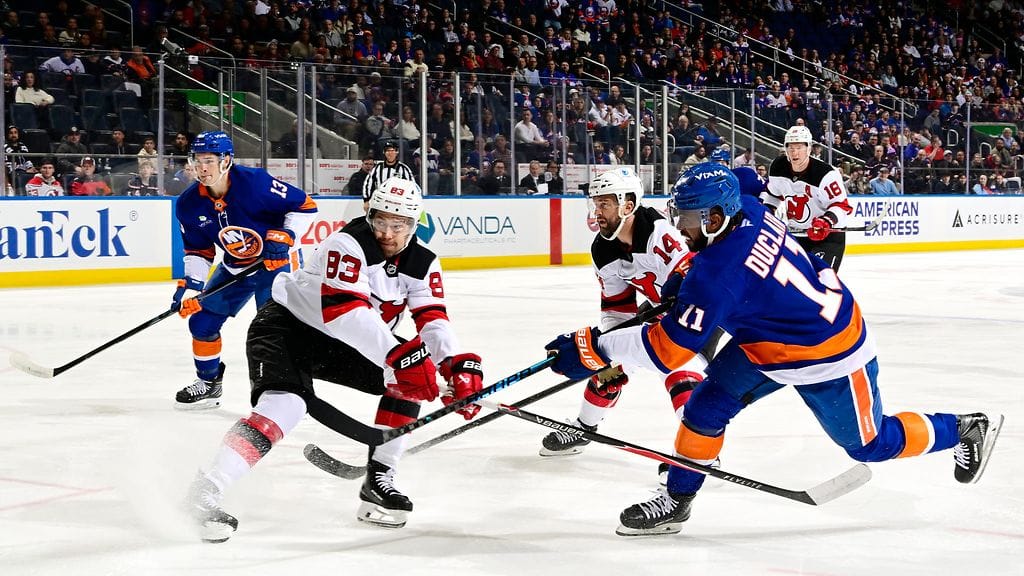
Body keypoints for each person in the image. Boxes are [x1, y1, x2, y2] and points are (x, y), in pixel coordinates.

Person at [543, 163, 1003, 537]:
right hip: (768, 339)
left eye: (686, 220)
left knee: (871, 445)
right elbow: (745, 178)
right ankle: (678, 500)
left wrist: (593, 348)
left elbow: (667, 352)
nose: (679, 229)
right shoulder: (745, 207)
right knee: (704, 408)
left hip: (828, 351)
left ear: (715, 218)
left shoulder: (716, 272)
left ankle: (962, 428)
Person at [184, 177, 484, 542]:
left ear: (414, 223)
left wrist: (453, 367)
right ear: (368, 214)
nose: (388, 233)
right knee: (285, 406)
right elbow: (345, 313)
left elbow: (433, 318)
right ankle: (206, 488)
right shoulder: (347, 243)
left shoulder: (423, 262)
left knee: (406, 385)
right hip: (288, 329)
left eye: (399, 224)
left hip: (345, 342)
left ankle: (379, 480)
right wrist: (399, 357)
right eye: (381, 221)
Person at [538, 167, 707, 475]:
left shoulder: (660, 234)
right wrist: (605, 348)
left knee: (678, 371)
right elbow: (617, 308)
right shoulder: (603, 248)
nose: (597, 212)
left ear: (627, 205)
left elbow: (696, 284)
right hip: (660, 309)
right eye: (595, 204)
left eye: (605, 204)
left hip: (700, 315)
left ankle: (696, 455)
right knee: (608, 364)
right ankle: (584, 427)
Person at [171, 131, 318, 410]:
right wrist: (192, 287)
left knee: (272, 330)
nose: (202, 168)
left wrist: (286, 237)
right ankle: (209, 383)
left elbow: (305, 206)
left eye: (209, 160)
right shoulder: (189, 204)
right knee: (201, 324)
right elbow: (198, 250)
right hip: (235, 265)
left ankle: (279, 392)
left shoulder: (255, 183)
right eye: (197, 160)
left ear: (226, 160)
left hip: (276, 263)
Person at [763, 125, 852, 271]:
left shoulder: (825, 173)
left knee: (820, 282)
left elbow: (841, 205)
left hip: (827, 236)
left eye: (799, 147)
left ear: (809, 148)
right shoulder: (777, 167)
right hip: (797, 234)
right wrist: (767, 215)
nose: (794, 152)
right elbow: (773, 195)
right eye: (790, 147)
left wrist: (825, 222)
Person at [361, 140, 414, 212]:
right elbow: (368, 184)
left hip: (398, 203)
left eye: (392, 151)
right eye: (388, 151)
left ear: (396, 152)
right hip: (380, 203)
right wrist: (366, 200)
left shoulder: (404, 169)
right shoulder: (377, 168)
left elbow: (411, 186)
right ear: (384, 152)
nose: (390, 153)